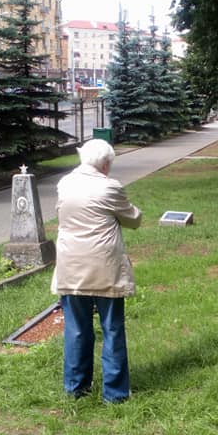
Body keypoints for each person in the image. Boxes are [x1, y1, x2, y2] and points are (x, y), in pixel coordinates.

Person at [51, 139, 142, 402]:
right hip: (105, 267)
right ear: (106, 163)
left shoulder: (64, 184)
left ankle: (75, 387)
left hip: (71, 265)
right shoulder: (109, 187)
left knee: (76, 328)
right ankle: (115, 393)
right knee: (112, 328)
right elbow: (133, 219)